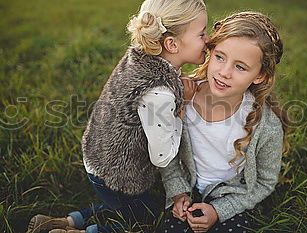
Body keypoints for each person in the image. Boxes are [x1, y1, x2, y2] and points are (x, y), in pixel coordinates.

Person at [26, 0, 208, 232]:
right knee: (145, 221)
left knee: (127, 207)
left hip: (98, 156)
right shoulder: (158, 93)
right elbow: (162, 157)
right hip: (118, 175)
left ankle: (68, 220)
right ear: (172, 44)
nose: (208, 39)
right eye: (202, 34)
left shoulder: (142, 59)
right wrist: (181, 108)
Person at [159, 11, 290, 233]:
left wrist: (220, 210)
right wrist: (178, 193)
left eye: (240, 67)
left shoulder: (265, 125)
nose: (225, 72)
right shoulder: (182, 96)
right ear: (210, 52)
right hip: (187, 188)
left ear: (259, 76)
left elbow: (265, 182)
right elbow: (165, 153)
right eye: (220, 57)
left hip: (231, 195)